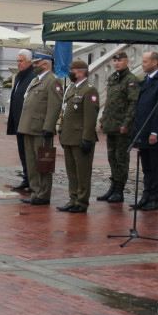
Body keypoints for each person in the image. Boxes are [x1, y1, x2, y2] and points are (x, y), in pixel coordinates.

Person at [18, 48, 63, 205]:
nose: (34, 65)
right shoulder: (36, 79)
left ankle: (43, 194)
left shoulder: (53, 80)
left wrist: (49, 127)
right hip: (29, 127)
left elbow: (55, 105)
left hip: (41, 129)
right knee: (31, 162)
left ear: (45, 64)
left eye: (37, 63)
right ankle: (36, 191)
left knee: (43, 163)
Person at [57, 59, 99, 213]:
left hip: (80, 137)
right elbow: (65, 111)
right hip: (69, 136)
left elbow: (90, 117)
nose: (70, 73)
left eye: (72, 71)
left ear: (81, 72)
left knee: (82, 172)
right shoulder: (71, 89)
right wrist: (61, 130)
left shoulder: (89, 90)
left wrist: (86, 138)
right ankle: (73, 198)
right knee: (72, 172)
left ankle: (81, 202)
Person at [130, 51, 158, 211]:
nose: (142, 64)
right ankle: (145, 195)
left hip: (153, 131)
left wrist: (155, 132)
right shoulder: (145, 81)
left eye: (145, 62)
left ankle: (154, 197)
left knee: (154, 166)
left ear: (155, 63)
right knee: (146, 166)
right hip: (142, 129)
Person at [97, 50, 138, 204]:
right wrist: (103, 119)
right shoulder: (113, 78)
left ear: (127, 61)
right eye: (114, 61)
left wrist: (126, 124)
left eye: (119, 61)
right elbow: (109, 101)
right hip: (111, 124)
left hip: (122, 127)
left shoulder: (131, 80)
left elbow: (133, 104)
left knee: (121, 158)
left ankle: (119, 190)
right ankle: (113, 187)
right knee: (111, 157)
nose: (116, 63)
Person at [7, 48, 34, 191]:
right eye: (17, 61)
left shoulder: (32, 77)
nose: (19, 64)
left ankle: (32, 180)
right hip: (18, 121)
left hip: (27, 122)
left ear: (29, 62)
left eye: (21, 61)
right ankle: (26, 178)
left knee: (29, 153)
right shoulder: (19, 77)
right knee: (22, 152)